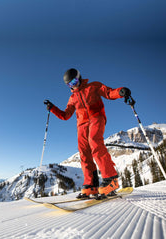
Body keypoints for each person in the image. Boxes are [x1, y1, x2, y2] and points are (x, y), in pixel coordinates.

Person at [44, 68, 131, 198]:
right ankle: (91, 185)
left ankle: (111, 179)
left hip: (96, 117)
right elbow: (66, 115)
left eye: (74, 81)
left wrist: (120, 92)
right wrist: (53, 109)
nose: (73, 85)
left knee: (94, 141)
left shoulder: (93, 86)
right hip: (82, 125)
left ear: (79, 77)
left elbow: (108, 92)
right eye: (69, 84)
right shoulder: (72, 98)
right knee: (84, 152)